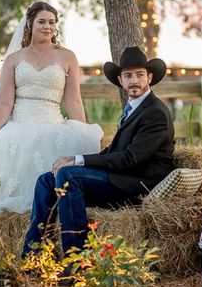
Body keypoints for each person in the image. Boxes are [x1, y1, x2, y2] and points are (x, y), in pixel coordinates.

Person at [22, 45, 175, 256]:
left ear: (149, 77)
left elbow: (131, 159)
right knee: (46, 180)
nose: (134, 81)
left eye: (140, 75)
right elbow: (115, 152)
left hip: (137, 185)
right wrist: (79, 160)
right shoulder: (133, 108)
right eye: (128, 75)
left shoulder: (155, 112)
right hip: (120, 177)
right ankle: (33, 254)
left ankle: (76, 258)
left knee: (68, 176)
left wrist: (77, 160)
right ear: (120, 81)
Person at [0, 2, 103, 213]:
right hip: (18, 124)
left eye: (52, 22)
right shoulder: (14, 59)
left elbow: (73, 101)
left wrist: (81, 132)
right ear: (30, 24)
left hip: (52, 123)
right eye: (42, 21)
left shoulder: (67, 56)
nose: (47, 26)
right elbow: (4, 102)